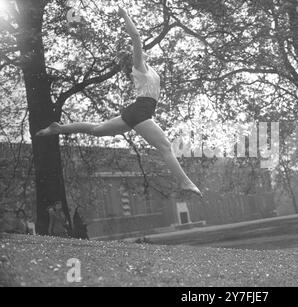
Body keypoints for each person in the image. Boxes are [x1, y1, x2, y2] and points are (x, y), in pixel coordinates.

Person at [37, 7, 202, 198]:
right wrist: (124, 15)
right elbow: (136, 36)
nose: (141, 52)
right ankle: (185, 182)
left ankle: (58, 128)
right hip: (141, 111)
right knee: (164, 146)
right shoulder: (139, 67)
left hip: (138, 111)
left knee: (97, 130)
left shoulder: (149, 70)